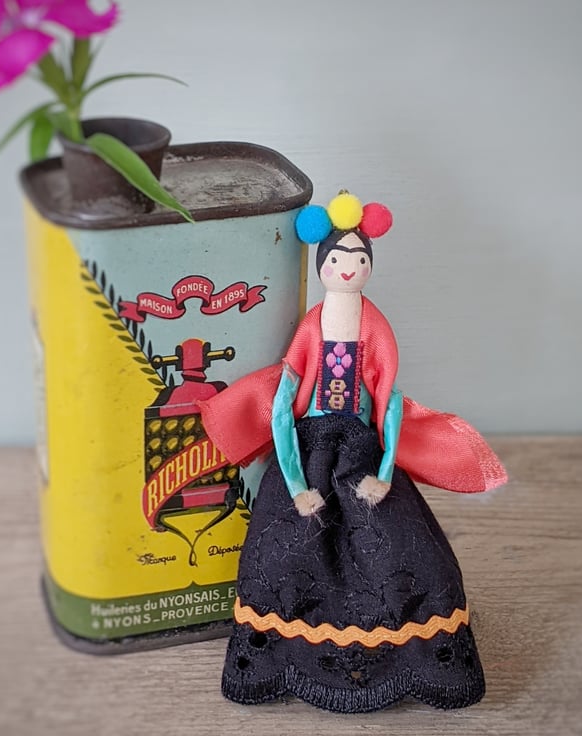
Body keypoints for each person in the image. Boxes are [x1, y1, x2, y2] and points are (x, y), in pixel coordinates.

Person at [199, 193, 507, 713]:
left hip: (361, 451)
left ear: (369, 264)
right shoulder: (312, 326)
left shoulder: (374, 326)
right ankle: (281, 647)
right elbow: (282, 409)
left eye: (359, 259)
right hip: (310, 449)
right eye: (338, 259)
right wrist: (296, 484)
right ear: (322, 264)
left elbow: (388, 404)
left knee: (398, 543)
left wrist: (384, 472)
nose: (348, 268)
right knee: (283, 550)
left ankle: (411, 644)